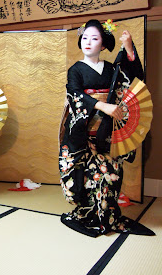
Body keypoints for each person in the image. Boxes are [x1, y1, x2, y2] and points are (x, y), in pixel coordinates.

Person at [59, 19, 154, 237]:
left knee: (109, 175)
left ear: (103, 45)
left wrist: (129, 48)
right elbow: (75, 94)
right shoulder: (76, 70)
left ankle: (107, 217)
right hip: (82, 134)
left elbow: (133, 79)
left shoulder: (112, 69)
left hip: (108, 132)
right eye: (84, 38)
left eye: (94, 38)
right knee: (83, 178)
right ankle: (86, 216)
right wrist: (102, 105)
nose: (88, 42)